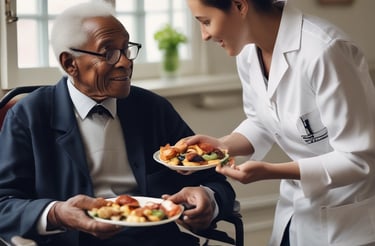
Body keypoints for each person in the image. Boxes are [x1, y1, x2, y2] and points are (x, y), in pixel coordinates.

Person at [0, 1, 236, 245]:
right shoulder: (29, 115)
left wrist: (210, 198)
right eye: (109, 53)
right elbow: (4, 203)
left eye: (127, 49)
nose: (125, 62)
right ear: (70, 64)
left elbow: (215, 180)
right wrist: (58, 213)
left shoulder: (152, 108)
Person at [184, 0, 375, 245]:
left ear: (240, 6)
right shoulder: (247, 52)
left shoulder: (326, 50)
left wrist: (271, 171)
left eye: (206, 22)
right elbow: (264, 122)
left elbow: (359, 157)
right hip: (294, 212)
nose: (204, 35)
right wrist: (221, 146)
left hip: (348, 218)